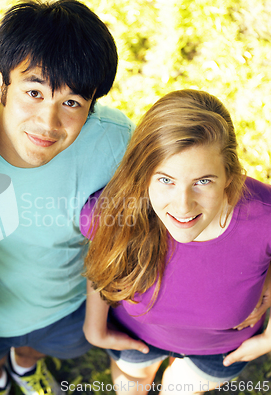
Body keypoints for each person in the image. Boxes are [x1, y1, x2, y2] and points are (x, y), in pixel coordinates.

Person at [0, 1, 134, 394]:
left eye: (71, 102)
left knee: (35, 350)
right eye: (34, 91)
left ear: (92, 105)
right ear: (2, 81)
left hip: (65, 307)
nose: (48, 122)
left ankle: (25, 367)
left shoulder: (114, 142)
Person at [81, 89, 271, 395]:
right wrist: (94, 327)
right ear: (143, 174)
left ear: (230, 175)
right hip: (135, 337)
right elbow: (103, 260)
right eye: (165, 179)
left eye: (203, 181)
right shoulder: (113, 212)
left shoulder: (264, 216)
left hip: (219, 351)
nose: (183, 206)